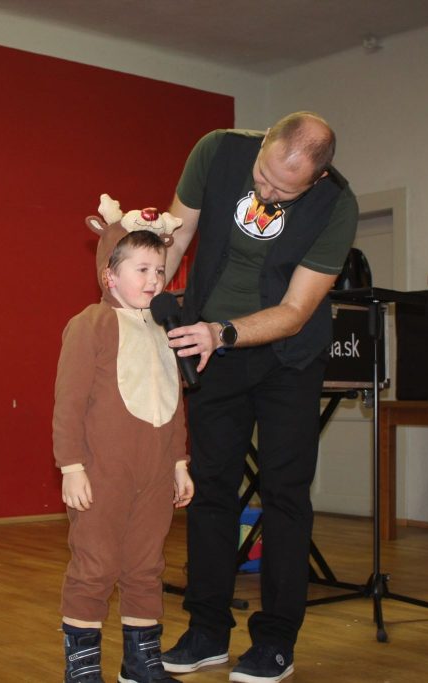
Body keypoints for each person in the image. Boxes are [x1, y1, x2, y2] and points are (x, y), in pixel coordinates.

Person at [158, 113, 358, 683]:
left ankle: (275, 642)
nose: (267, 193)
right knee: (210, 489)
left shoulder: (336, 205)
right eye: (263, 177)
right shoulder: (217, 151)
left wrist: (222, 332)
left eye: (284, 192)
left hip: (287, 359)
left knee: (284, 494)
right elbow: (176, 239)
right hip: (211, 350)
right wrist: (141, 294)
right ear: (264, 142)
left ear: (316, 180)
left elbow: (295, 311)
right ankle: (206, 632)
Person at [54, 195, 196, 683]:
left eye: (159, 271)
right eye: (142, 270)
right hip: (102, 474)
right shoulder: (89, 324)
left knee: (146, 565)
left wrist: (178, 463)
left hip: (154, 473)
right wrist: (71, 466)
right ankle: (82, 667)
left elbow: (174, 403)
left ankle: (141, 662)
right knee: (94, 566)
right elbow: (68, 403)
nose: (154, 280)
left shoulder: (164, 330)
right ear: (110, 275)